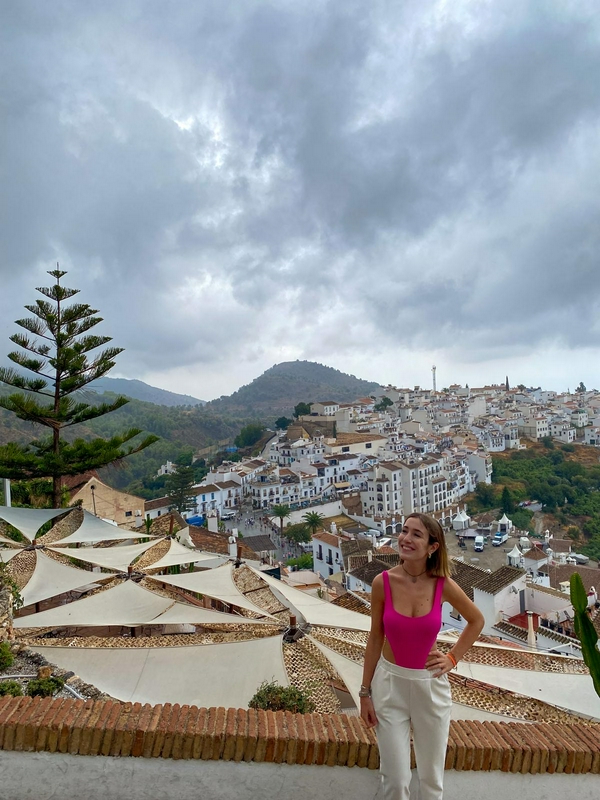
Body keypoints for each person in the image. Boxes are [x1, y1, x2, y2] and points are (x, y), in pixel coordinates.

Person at [360, 513, 484, 800]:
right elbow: (375, 637)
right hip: (389, 685)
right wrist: (365, 691)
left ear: (432, 546)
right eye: (404, 531)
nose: (406, 538)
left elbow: (476, 620)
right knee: (396, 779)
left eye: (416, 534)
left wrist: (452, 658)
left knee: (431, 780)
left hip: (430, 686)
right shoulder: (383, 582)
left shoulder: (444, 585)